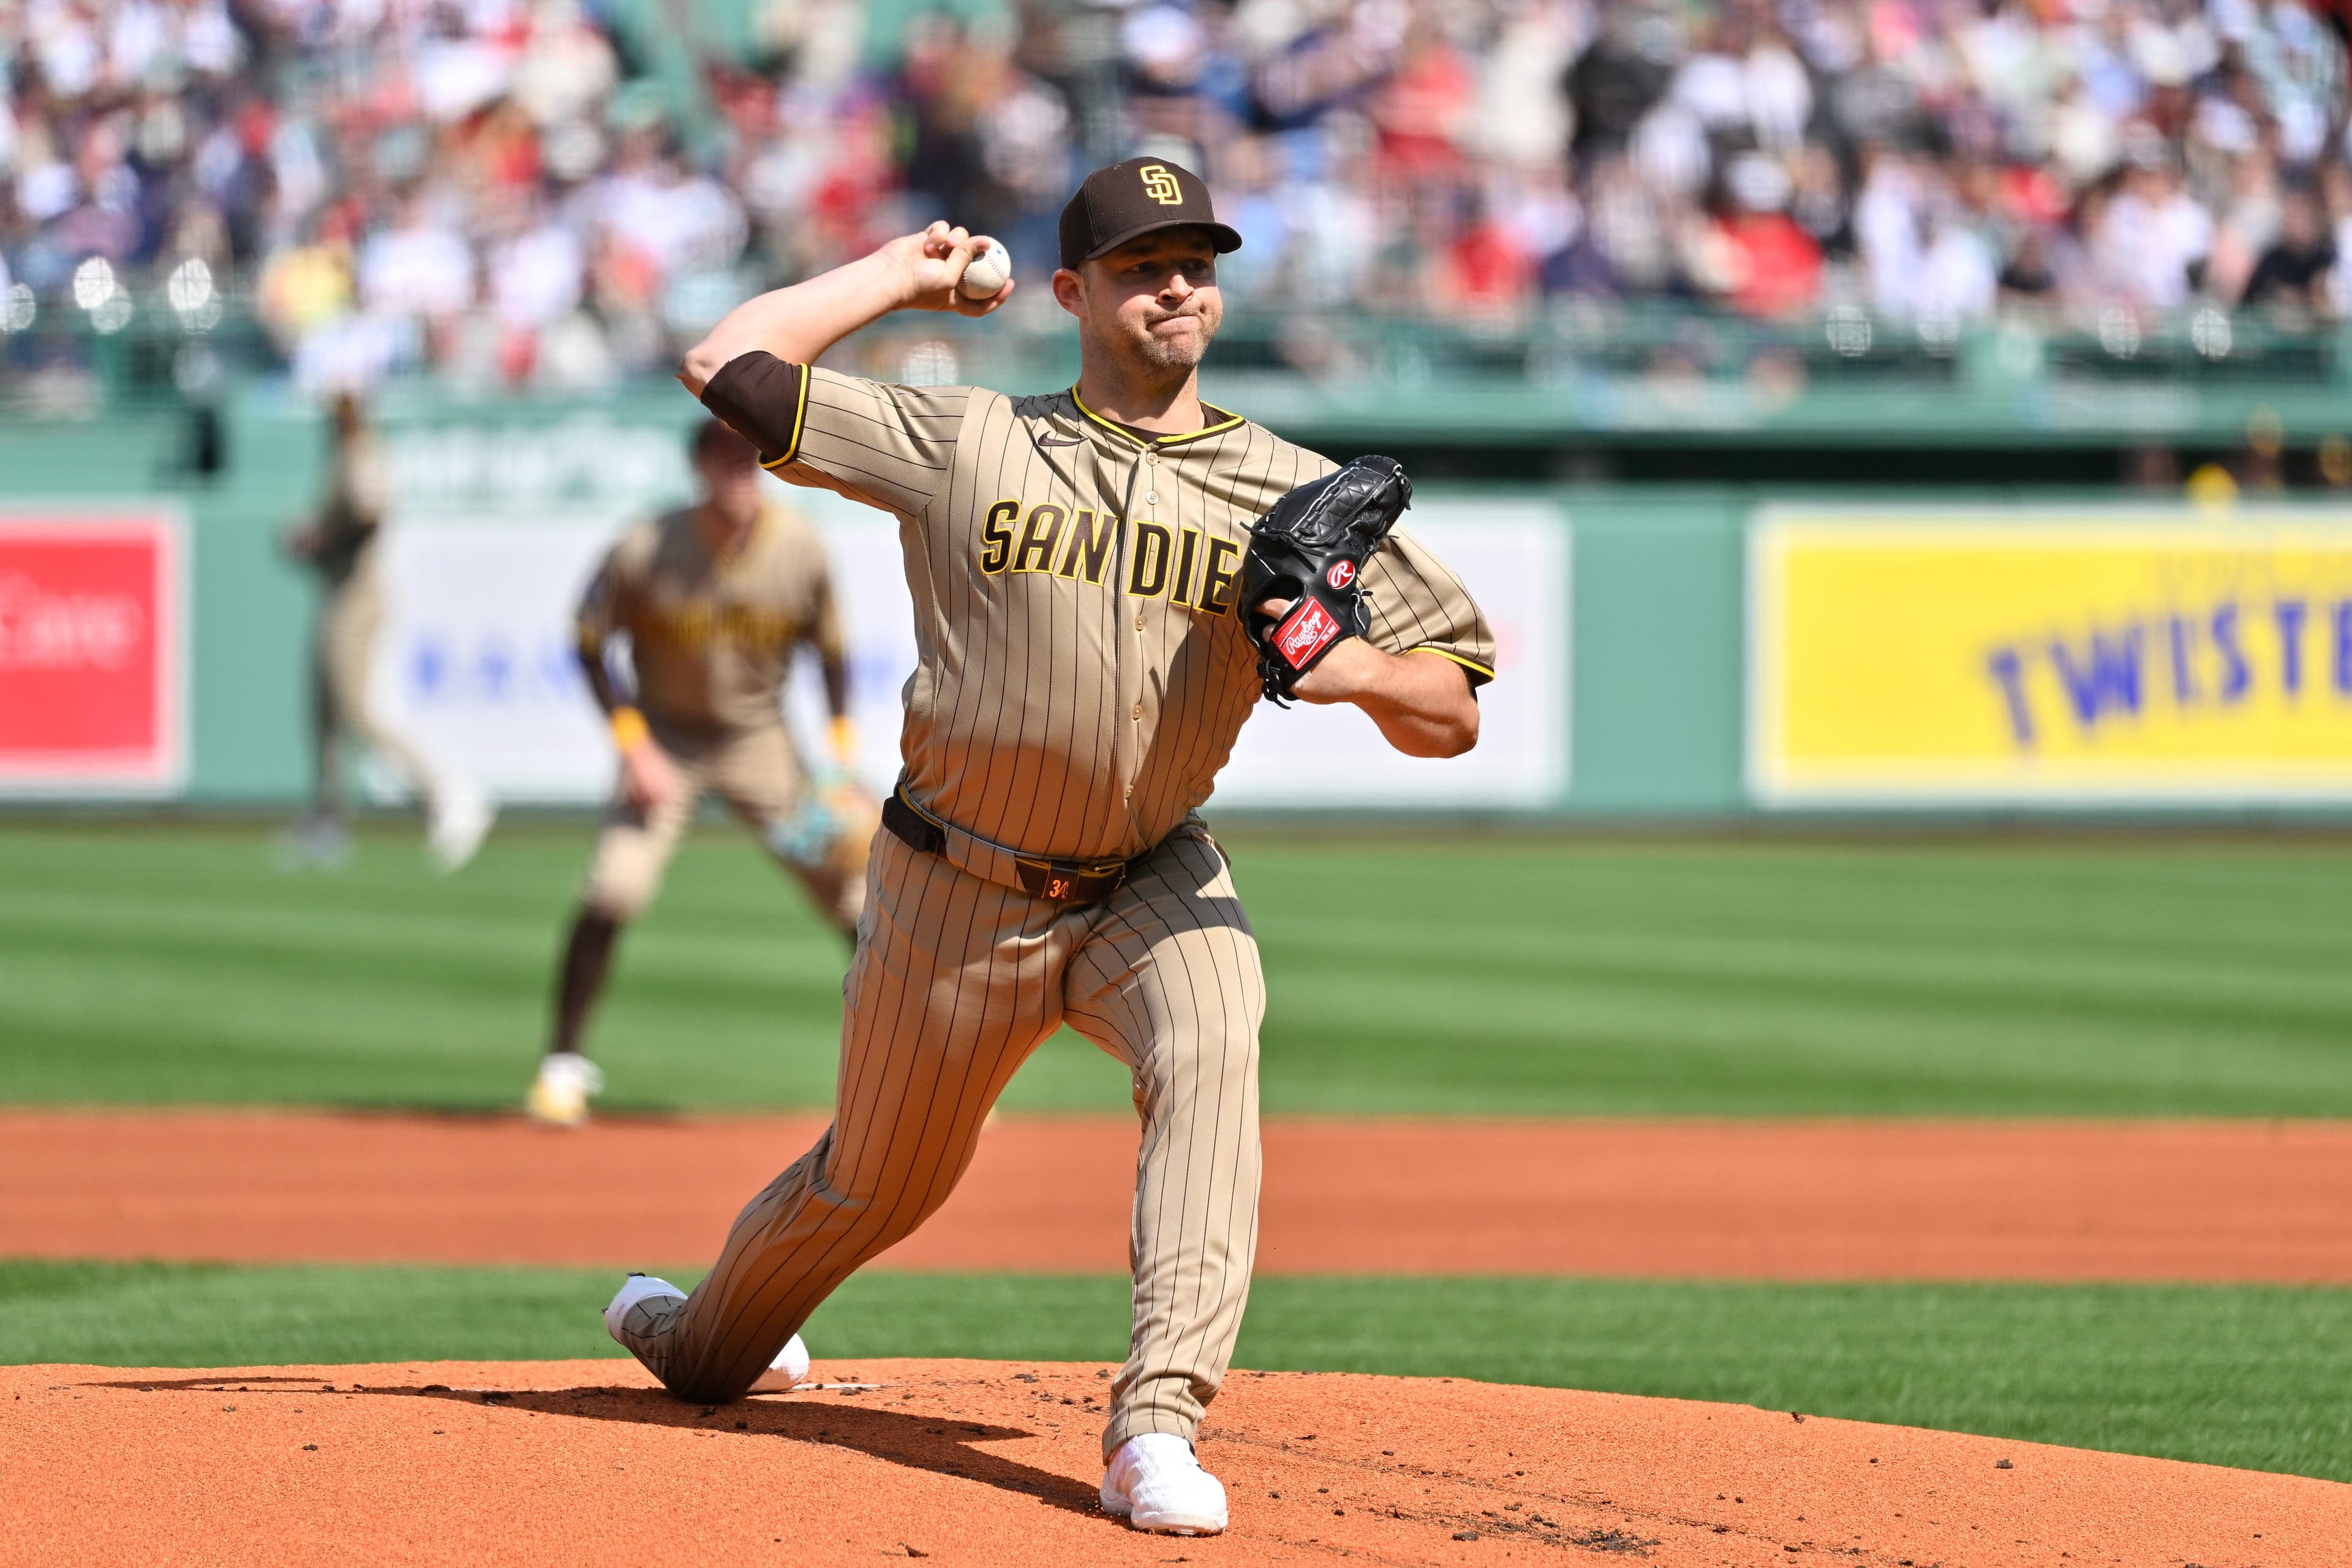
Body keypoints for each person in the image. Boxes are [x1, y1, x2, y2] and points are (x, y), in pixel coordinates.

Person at [600, 157, 1493, 1537]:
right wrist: (905, 275)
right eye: (1142, 264)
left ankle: (1157, 1425)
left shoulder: (1288, 486)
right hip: (954, 886)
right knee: (872, 1186)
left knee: (1213, 1045)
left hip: (1152, 873)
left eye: (1197, 259)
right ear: (1074, 291)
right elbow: (727, 362)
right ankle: (699, 1333)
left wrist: (1357, 668)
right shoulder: (970, 441)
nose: (1179, 284)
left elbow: (1456, 708)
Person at [526, 418, 868, 1128]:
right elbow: (589, 642)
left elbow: (832, 653)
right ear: (700, 466)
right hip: (667, 740)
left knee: (855, 903)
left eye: (748, 457)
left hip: (760, 746)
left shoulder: (798, 545)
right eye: (724, 457)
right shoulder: (648, 547)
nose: (738, 471)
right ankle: (561, 1067)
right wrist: (632, 745)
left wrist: (837, 760)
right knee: (613, 889)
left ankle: (923, 1078)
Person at [279, 392, 492, 872]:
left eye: (348, 411)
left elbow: (370, 516)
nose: (341, 420)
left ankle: (449, 795)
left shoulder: (364, 455)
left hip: (358, 596)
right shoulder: (341, 456)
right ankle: (326, 821)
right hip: (336, 591)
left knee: (355, 711)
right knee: (323, 714)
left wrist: (320, 538)